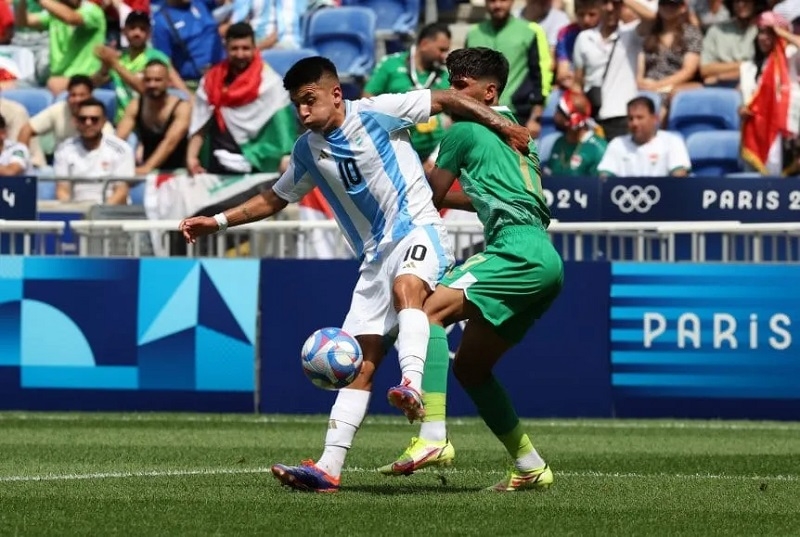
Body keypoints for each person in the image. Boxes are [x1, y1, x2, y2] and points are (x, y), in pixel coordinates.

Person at [179, 56, 532, 493]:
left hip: (418, 229)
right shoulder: (306, 150)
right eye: (296, 104)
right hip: (373, 259)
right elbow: (274, 198)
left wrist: (503, 126)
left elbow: (445, 98)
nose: (303, 111)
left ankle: (411, 383)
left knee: (408, 287)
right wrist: (217, 221)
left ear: (335, 94)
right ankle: (328, 468)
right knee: (358, 364)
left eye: (309, 100)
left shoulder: (378, 111)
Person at [420, 47, 564, 491]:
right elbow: (486, 195)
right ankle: (529, 465)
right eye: (449, 83)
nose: (451, 93)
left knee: (427, 313)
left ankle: (431, 436)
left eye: (460, 86)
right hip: (544, 257)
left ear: (488, 92)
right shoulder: (521, 135)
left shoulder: (464, 130)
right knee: (471, 369)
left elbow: (430, 197)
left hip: (514, 249)